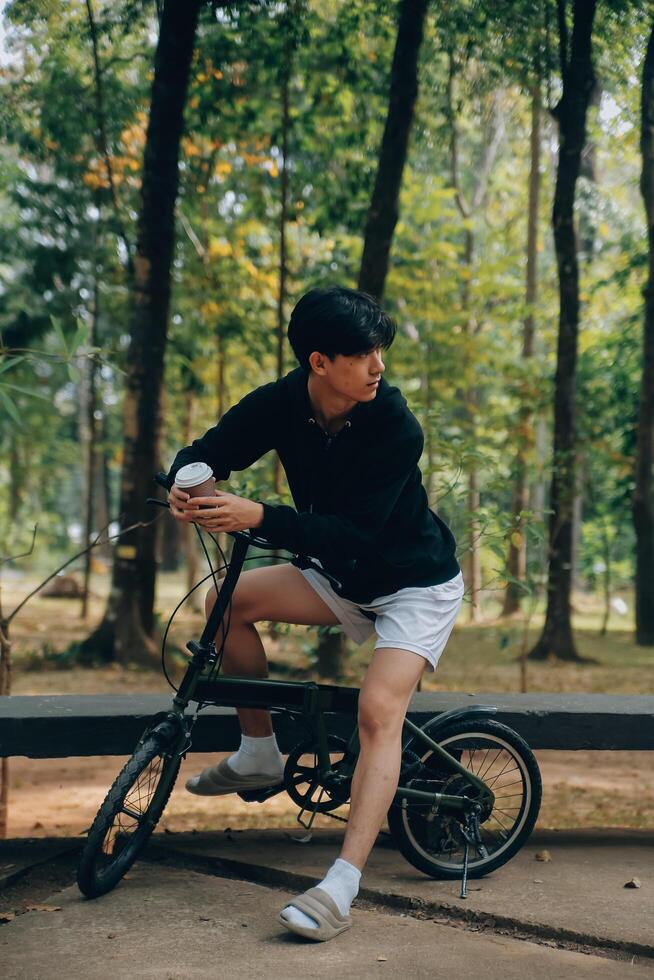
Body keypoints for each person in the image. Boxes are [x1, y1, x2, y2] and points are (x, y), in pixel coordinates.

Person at [165, 284, 464, 942]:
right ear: (319, 362)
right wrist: (186, 487)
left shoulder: (394, 424)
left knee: (378, 710)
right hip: (340, 578)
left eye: (380, 352)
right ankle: (258, 751)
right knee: (224, 602)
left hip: (414, 583)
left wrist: (261, 516)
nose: (378, 367)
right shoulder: (282, 403)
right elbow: (205, 452)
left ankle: (341, 887)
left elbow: (354, 533)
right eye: (363, 355)